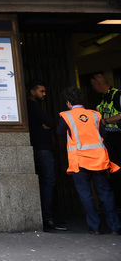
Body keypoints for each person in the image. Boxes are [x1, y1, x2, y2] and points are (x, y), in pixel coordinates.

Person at [56, 86, 120, 235]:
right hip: (99, 160)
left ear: (68, 103)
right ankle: (115, 227)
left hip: (79, 162)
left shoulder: (66, 116)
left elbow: (59, 132)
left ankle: (95, 227)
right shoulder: (95, 115)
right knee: (105, 194)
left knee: (86, 195)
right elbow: (104, 133)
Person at [26, 81, 67, 231]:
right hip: (42, 147)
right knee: (48, 181)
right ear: (32, 92)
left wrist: (49, 124)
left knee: (47, 181)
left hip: (41, 146)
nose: (44, 94)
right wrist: (49, 124)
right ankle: (48, 218)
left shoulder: (34, 106)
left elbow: (50, 123)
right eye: (41, 91)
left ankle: (48, 216)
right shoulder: (32, 105)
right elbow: (50, 121)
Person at [90, 73, 121, 206]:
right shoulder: (102, 98)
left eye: (93, 85)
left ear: (98, 83)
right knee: (114, 173)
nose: (93, 88)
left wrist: (104, 121)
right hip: (108, 140)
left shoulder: (117, 95)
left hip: (118, 138)